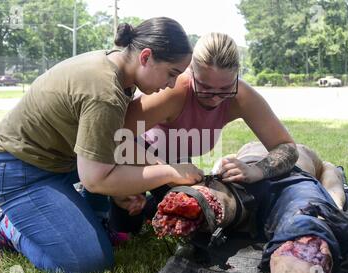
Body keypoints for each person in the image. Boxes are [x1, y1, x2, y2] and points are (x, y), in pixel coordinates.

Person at [0, 17, 204, 273]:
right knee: (87, 265)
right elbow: (96, 179)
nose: (171, 84)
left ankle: (92, 222)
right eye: (172, 73)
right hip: (20, 171)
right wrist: (170, 173)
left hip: (59, 161)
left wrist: (153, 168)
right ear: (146, 57)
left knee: (132, 164)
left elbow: (114, 139)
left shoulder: (120, 69)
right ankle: (4, 226)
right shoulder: (105, 92)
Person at [109, 32, 299, 232]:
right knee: (125, 231)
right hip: (134, 153)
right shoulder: (174, 92)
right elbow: (114, 135)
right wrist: (160, 172)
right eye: (205, 88)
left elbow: (287, 147)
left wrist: (257, 170)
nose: (216, 99)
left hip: (176, 160)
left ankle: (150, 206)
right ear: (190, 71)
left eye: (225, 89)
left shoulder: (242, 96)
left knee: (193, 215)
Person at [151, 142, 348, 273]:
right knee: (197, 200)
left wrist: (325, 208)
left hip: (287, 183)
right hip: (248, 177)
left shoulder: (302, 152)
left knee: (306, 240)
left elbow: (331, 179)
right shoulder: (296, 151)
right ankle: (197, 205)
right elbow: (332, 180)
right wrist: (329, 206)